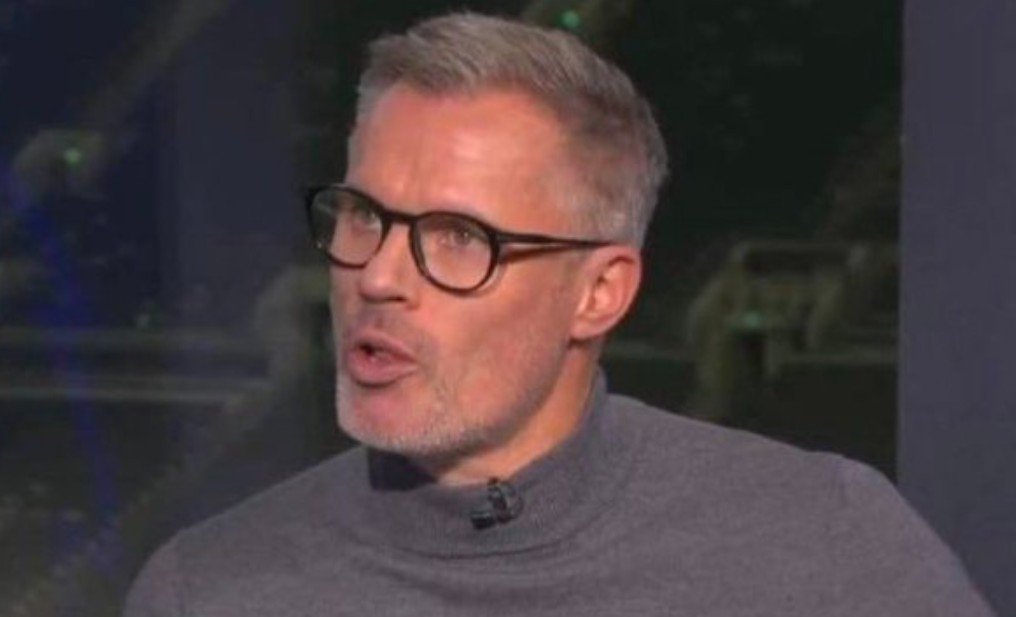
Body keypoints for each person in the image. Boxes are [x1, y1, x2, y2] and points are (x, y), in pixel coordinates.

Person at [123, 13, 995, 617]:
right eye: (362, 216)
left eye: (458, 237)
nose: (378, 276)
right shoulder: (206, 589)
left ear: (599, 292)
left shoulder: (827, 542)